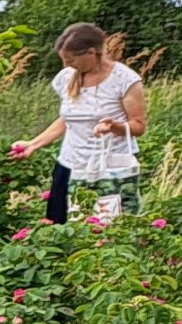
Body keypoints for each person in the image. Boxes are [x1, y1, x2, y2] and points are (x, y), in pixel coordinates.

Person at [9, 23, 147, 223]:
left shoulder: (125, 80)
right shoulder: (65, 78)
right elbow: (68, 120)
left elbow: (138, 126)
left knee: (107, 230)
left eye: (71, 60)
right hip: (70, 165)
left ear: (91, 53)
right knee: (59, 227)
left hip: (109, 170)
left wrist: (114, 127)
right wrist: (33, 144)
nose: (67, 66)